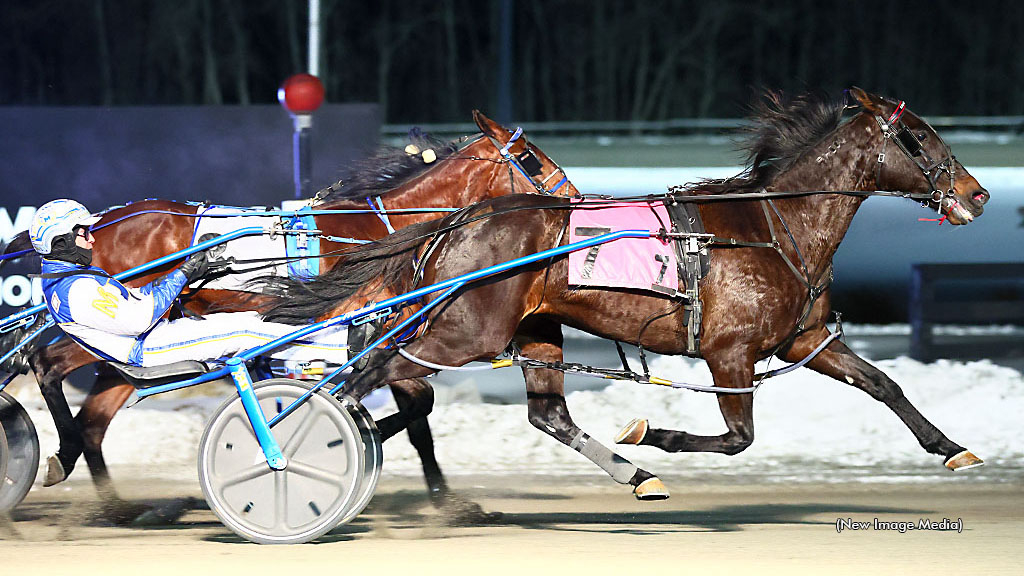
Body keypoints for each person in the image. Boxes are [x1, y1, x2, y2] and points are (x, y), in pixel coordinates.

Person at [29, 199, 351, 368]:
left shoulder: (68, 279)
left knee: (248, 321)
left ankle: (333, 343)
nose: (92, 237)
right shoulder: (77, 290)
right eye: (83, 232)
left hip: (153, 335)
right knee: (246, 333)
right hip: (149, 347)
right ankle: (344, 351)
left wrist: (191, 272)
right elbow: (139, 318)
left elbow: (136, 301)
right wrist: (186, 271)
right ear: (62, 242)